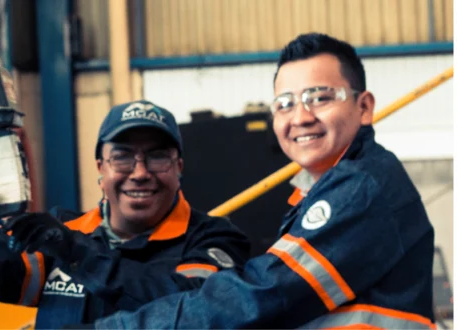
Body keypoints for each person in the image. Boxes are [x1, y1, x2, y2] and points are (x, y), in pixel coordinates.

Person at [90, 33, 436, 329]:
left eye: (319, 98)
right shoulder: (324, 191)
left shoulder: (361, 188)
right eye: (285, 104)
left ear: (364, 107)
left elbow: (260, 296)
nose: (301, 117)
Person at [0, 101, 252, 328]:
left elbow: (195, 311)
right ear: (101, 168)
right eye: (122, 157)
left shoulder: (214, 239)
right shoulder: (62, 230)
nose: (140, 173)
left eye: (157, 157)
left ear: (178, 167)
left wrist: (79, 254)